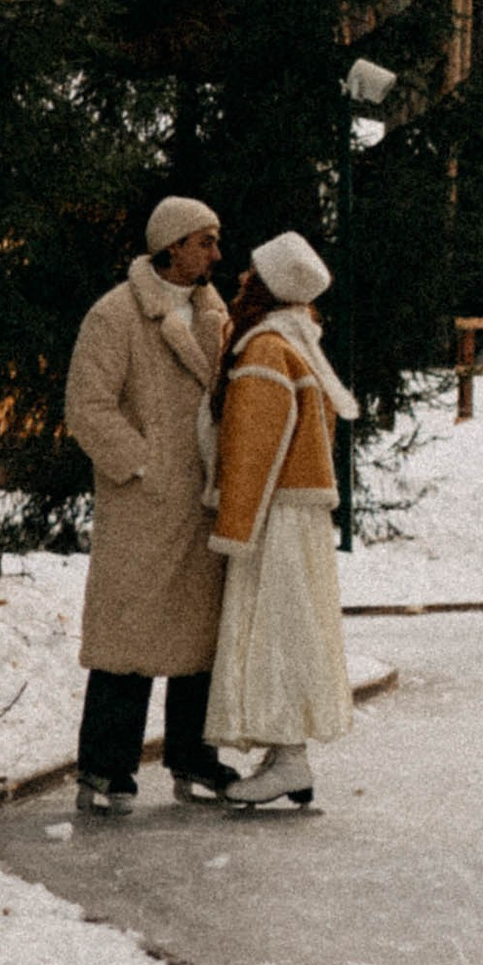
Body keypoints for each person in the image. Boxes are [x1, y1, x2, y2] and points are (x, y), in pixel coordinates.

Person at [63, 197, 243, 814]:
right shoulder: (117, 315)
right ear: (171, 246)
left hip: (202, 504)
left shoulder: (214, 314)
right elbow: (87, 407)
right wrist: (142, 464)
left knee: (199, 636)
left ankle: (194, 756)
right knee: (129, 637)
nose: (217, 254)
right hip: (143, 507)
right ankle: (105, 767)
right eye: (205, 241)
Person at [206, 230, 358, 809]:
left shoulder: (267, 348)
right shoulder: (299, 340)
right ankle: (284, 753)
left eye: (252, 274)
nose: (242, 279)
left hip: (276, 513)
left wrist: (234, 521)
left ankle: (288, 756)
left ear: (266, 287)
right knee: (294, 625)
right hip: (298, 510)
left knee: (273, 629)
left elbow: (254, 443)